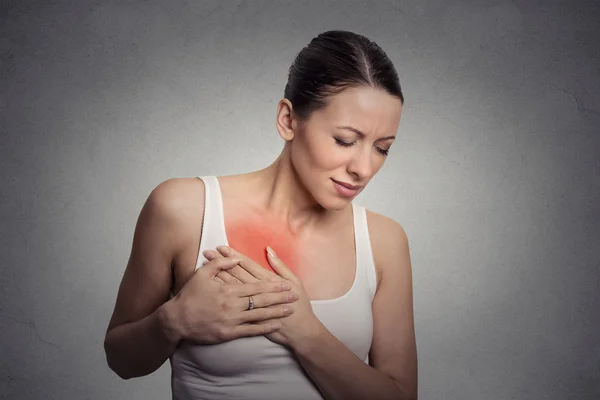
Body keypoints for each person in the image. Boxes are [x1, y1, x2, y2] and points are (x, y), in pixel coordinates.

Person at [104, 30, 418, 399]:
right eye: (345, 141)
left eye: (382, 149)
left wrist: (307, 333)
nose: (363, 168)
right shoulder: (184, 210)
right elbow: (121, 361)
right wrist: (173, 321)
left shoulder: (383, 241)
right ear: (288, 120)